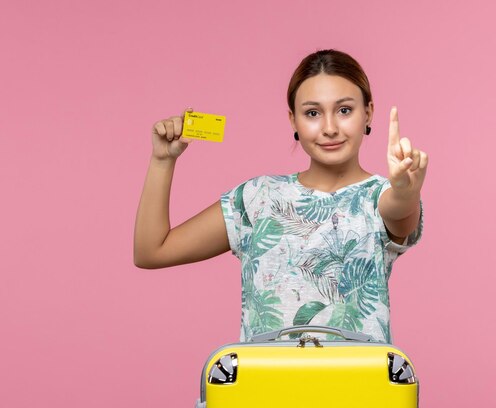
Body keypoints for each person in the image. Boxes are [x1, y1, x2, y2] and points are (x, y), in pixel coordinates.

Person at [134, 49, 428, 343]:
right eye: (312, 113)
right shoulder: (258, 198)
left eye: (344, 110)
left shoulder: (378, 197)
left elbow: (399, 210)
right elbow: (152, 251)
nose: (329, 128)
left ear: (368, 113)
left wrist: (406, 190)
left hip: (360, 386)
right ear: (293, 121)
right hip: (264, 386)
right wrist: (162, 161)